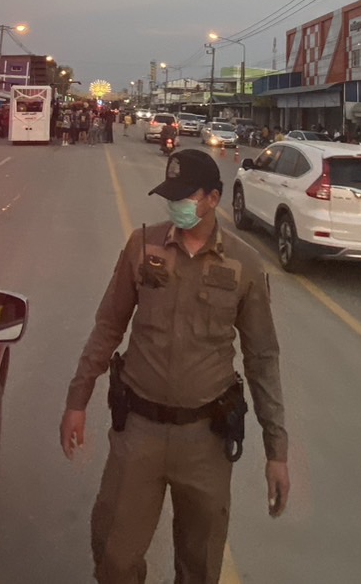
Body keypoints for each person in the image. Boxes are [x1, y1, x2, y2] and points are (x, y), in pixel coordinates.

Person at [60, 148, 290, 584]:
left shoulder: (243, 264)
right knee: (114, 557)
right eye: (170, 196)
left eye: (185, 197)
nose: (175, 205)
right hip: (138, 432)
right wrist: (77, 399)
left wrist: (276, 451)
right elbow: (108, 326)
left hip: (205, 441)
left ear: (213, 199)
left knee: (200, 565)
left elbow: (262, 359)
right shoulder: (142, 246)